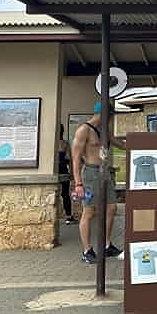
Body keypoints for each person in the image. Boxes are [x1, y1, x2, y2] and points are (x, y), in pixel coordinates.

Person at [71, 101, 126, 264]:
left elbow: (120, 144)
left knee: (111, 208)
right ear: (103, 114)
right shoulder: (84, 130)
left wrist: (140, 145)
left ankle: (107, 245)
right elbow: (75, 159)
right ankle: (87, 250)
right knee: (89, 212)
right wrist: (78, 183)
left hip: (105, 172)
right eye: (110, 116)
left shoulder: (104, 131)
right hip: (90, 173)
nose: (111, 120)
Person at [58, 124, 77, 225]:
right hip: (63, 169)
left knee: (60, 194)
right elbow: (70, 159)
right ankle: (68, 216)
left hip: (54, 170)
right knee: (65, 194)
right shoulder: (64, 144)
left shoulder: (50, 143)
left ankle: (62, 215)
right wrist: (72, 173)